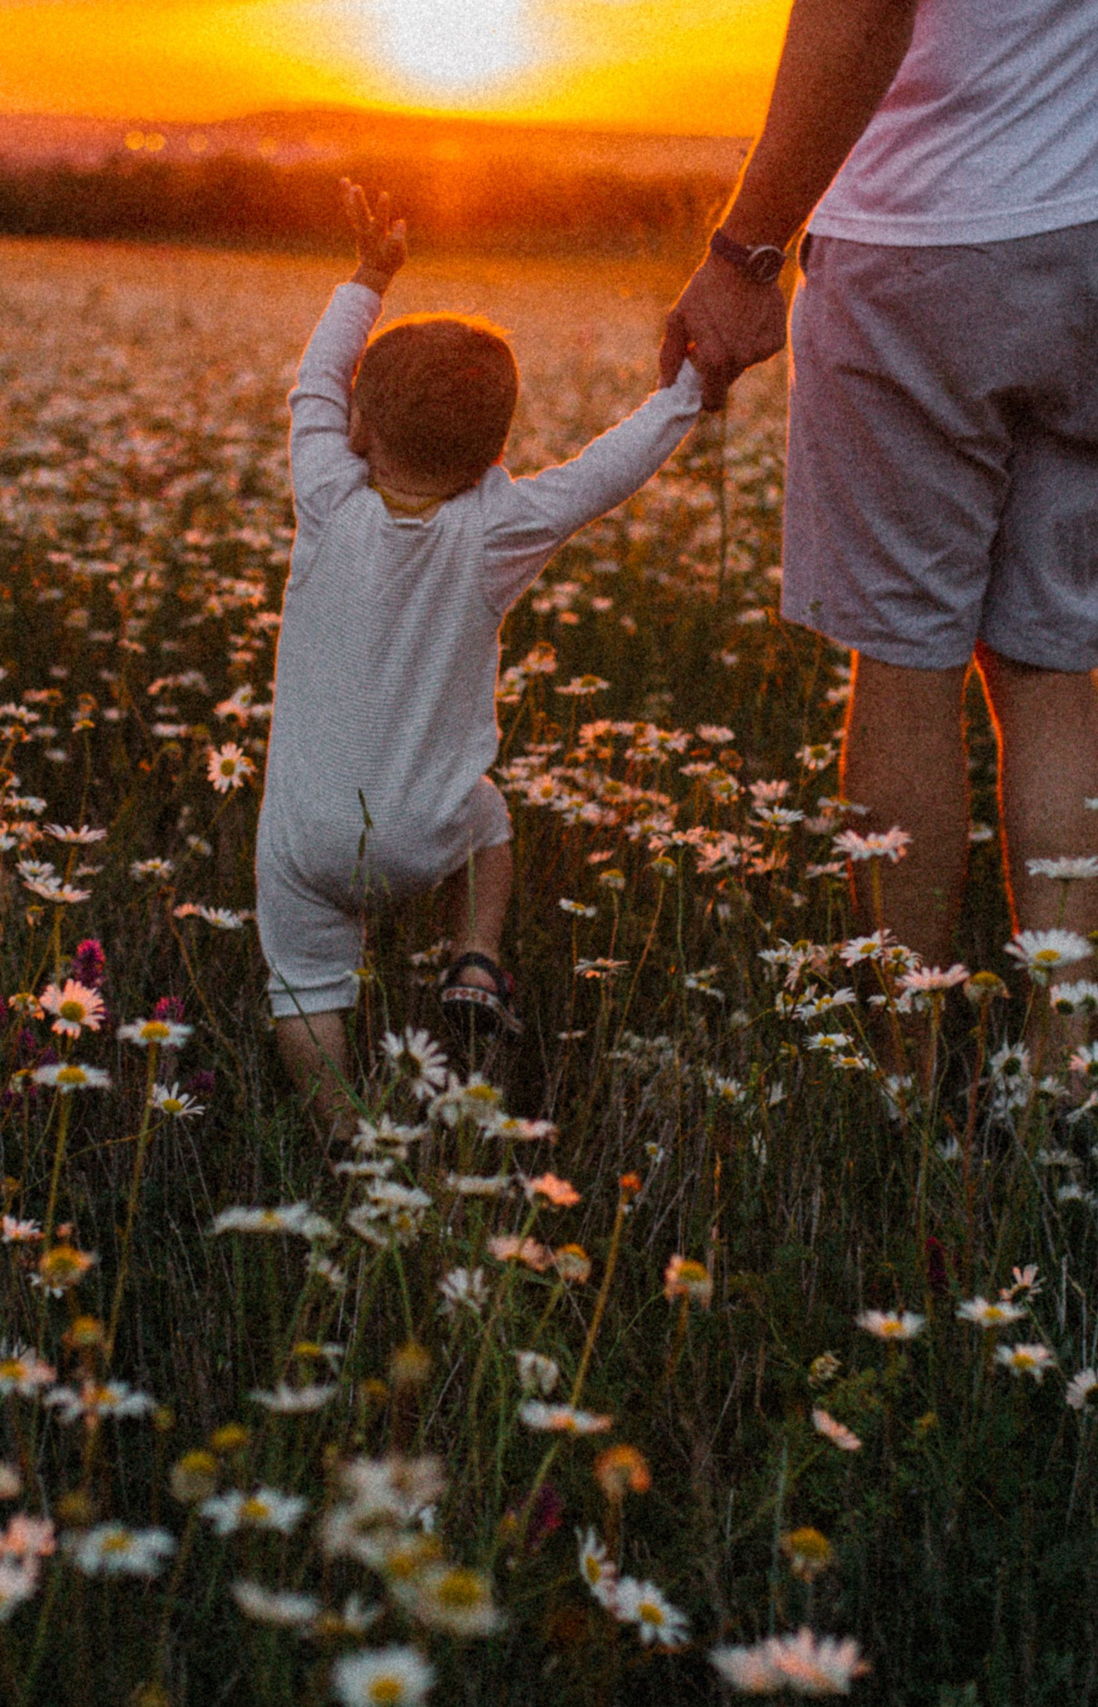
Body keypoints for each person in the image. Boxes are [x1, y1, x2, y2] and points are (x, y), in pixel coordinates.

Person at [660, 0, 1098, 1072]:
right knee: (1054, 666)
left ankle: (904, 1083)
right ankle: (1066, 1082)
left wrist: (744, 253)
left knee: (908, 665)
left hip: (927, 226)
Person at [260, 184, 707, 1129]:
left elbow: (312, 386)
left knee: (305, 986)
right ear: (491, 455)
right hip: (428, 830)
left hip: (304, 838)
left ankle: (351, 1137)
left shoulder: (328, 499)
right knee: (491, 816)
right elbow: (600, 476)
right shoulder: (496, 528)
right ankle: (473, 955)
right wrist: (687, 395)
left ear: (359, 430)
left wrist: (369, 276)